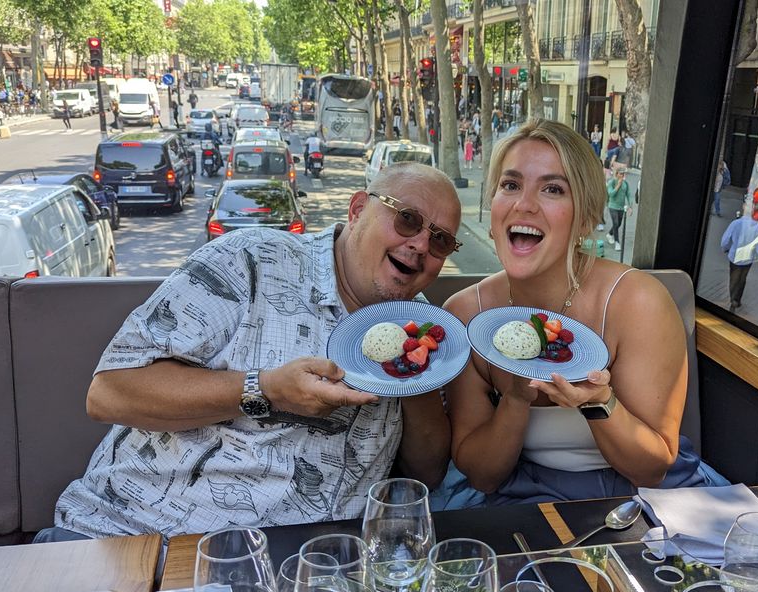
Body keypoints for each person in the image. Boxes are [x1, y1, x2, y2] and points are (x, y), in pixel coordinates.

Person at [45, 163, 463, 540]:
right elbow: (108, 393)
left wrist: (417, 371)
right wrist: (265, 391)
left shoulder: (421, 327)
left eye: (441, 241)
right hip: (138, 534)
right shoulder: (251, 259)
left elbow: (426, 472)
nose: (422, 245)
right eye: (407, 220)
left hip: (309, 567)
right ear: (357, 210)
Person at [440, 118, 727, 507]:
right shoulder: (464, 315)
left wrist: (597, 401)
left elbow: (652, 468)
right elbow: (483, 476)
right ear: (491, 207)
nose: (524, 204)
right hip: (524, 494)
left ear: (587, 217)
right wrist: (515, 398)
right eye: (510, 185)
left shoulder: (638, 302)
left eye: (553, 189)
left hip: (644, 495)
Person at [720, 208, 758, 311]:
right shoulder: (756, 226)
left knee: (734, 279)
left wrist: (725, 248)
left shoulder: (735, 223)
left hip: (735, 257)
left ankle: (733, 300)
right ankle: (738, 299)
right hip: (748, 258)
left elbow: (725, 239)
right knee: (742, 279)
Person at [605, 167, 632, 251]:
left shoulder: (626, 184)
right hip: (612, 206)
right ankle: (617, 243)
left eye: (623, 174)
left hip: (621, 207)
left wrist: (630, 207)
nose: (622, 175)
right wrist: (618, 185)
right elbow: (611, 194)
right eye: (620, 174)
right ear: (616, 174)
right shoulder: (612, 182)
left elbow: (629, 195)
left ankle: (610, 234)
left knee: (618, 224)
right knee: (616, 223)